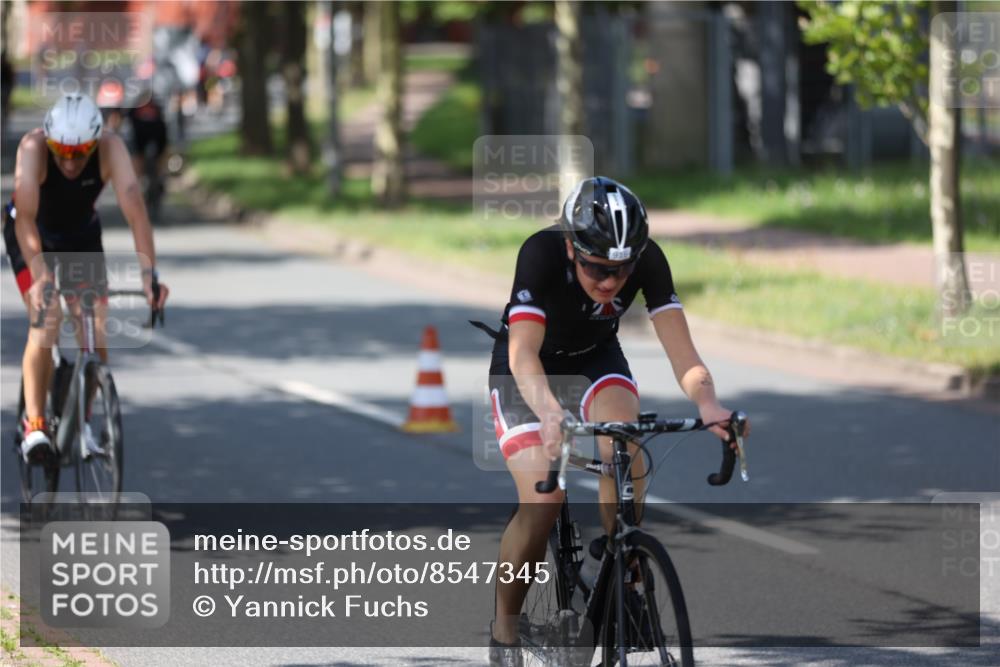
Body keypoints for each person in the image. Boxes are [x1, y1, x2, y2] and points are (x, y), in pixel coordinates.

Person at [479, 176, 747, 665]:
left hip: (596, 358)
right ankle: (504, 630)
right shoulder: (540, 254)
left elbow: (684, 354)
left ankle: (621, 564)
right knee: (544, 496)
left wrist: (709, 406)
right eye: (596, 267)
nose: (610, 282)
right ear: (571, 246)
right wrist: (549, 412)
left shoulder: (648, 260)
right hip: (529, 367)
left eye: (621, 271)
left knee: (625, 446)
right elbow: (522, 353)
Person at [3, 93, 170, 463]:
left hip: (79, 236)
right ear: (49, 141)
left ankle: (84, 423)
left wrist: (149, 276)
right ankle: (35, 426)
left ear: (95, 142)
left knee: (95, 331)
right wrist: (42, 274)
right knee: (46, 320)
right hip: (31, 235)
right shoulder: (33, 148)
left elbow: (136, 213)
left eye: (81, 151)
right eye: (61, 148)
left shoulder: (111, 149)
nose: (71, 159)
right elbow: (25, 220)